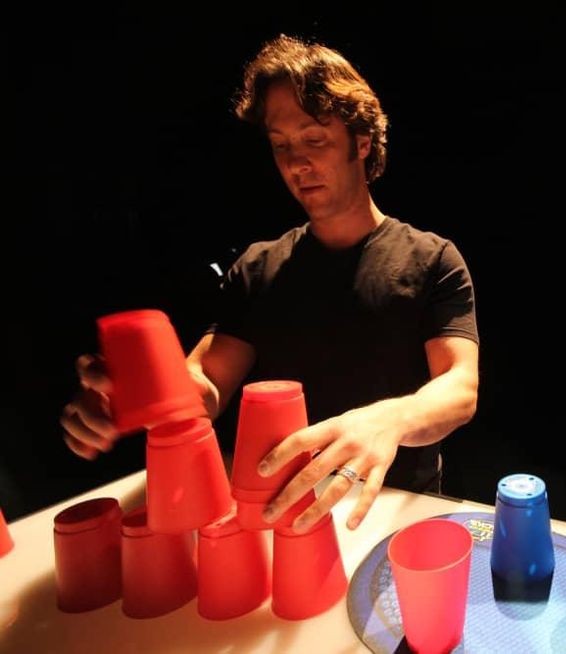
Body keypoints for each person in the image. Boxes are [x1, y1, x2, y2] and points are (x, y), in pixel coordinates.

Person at [60, 35, 480, 533]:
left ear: (362, 142)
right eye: (281, 145)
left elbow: (459, 387)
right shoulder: (259, 267)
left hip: (394, 509)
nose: (296, 163)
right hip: (283, 513)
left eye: (314, 139)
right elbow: (207, 384)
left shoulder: (432, 257)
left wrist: (386, 420)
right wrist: (140, 393)